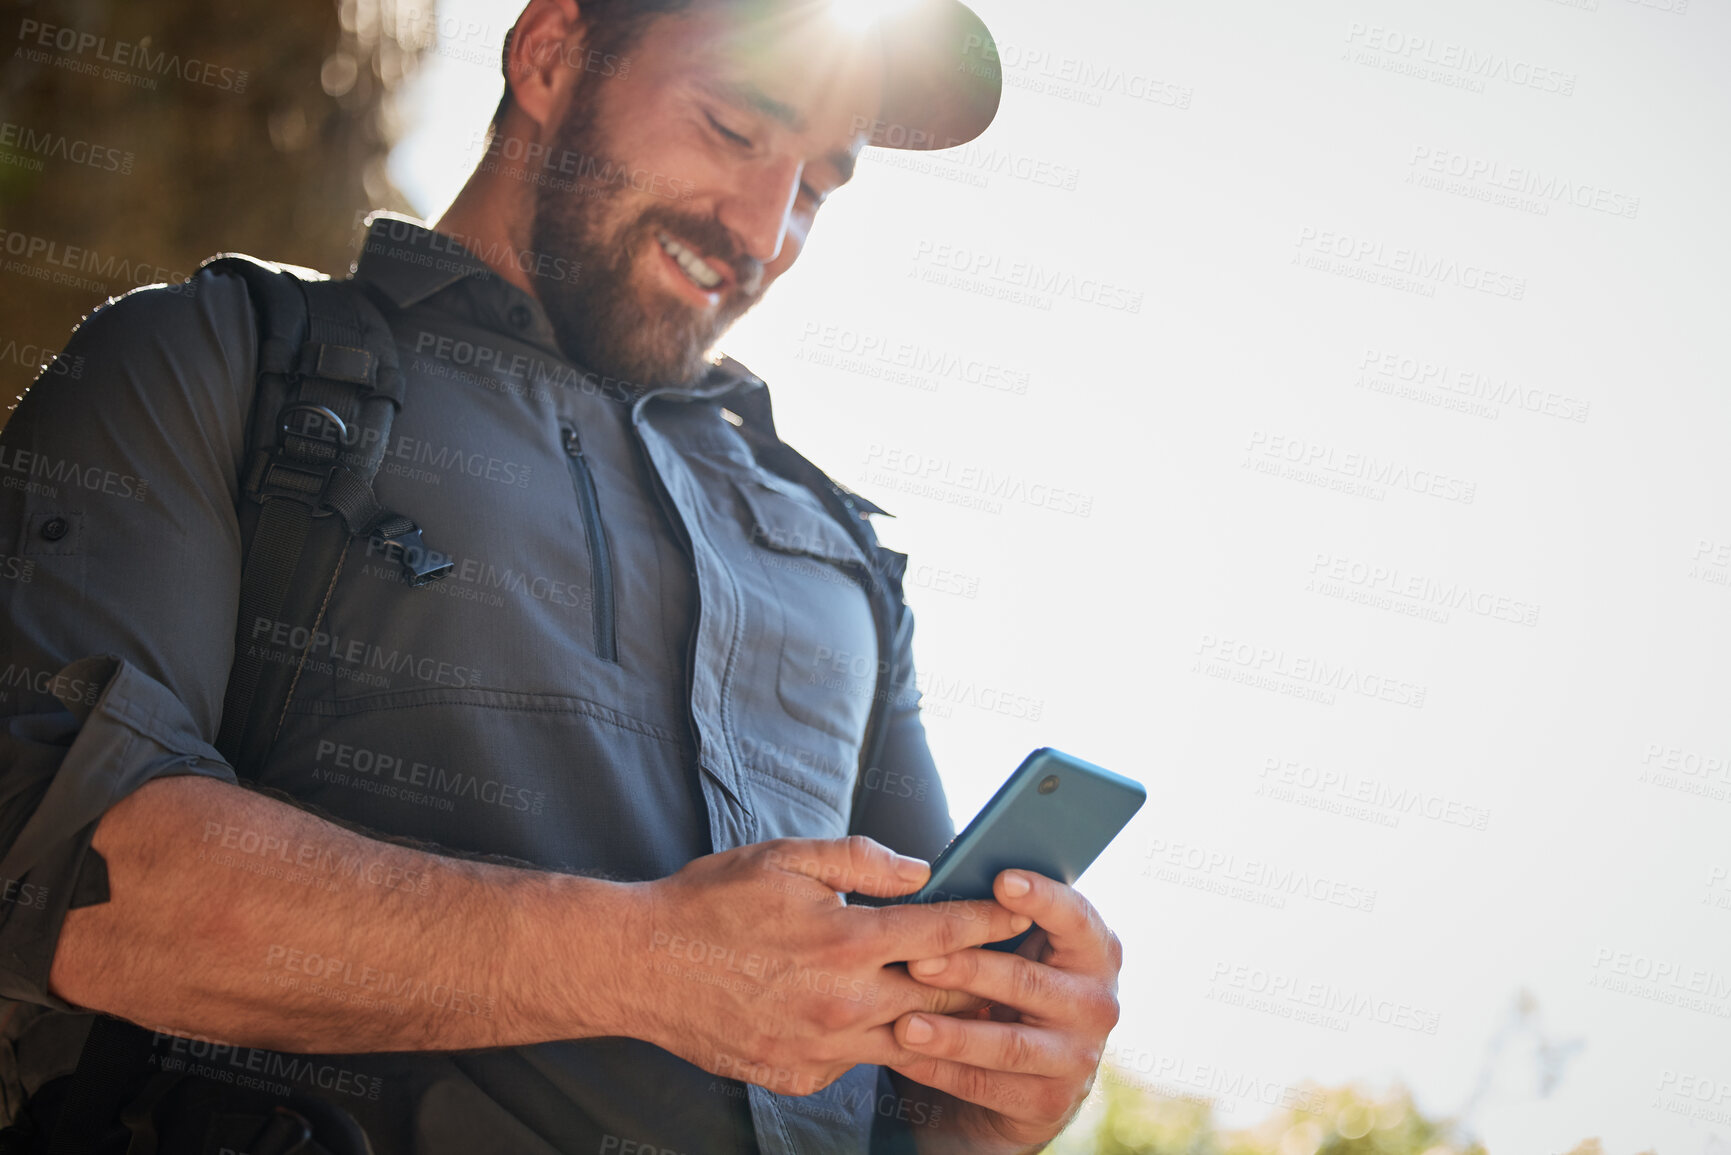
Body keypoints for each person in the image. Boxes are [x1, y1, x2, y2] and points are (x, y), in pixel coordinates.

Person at [0, 0, 1124, 1151]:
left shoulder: (840, 559)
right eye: (736, 128)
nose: (764, 225)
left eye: (819, 187)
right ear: (547, 55)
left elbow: (898, 1074)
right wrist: (648, 962)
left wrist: (984, 1092)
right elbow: (60, 880)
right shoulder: (217, 359)